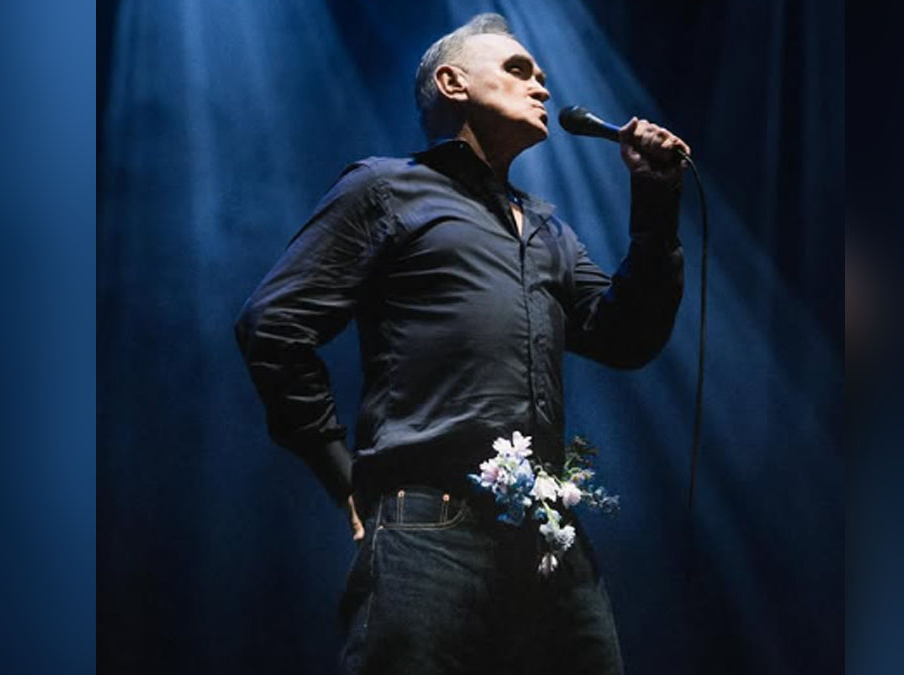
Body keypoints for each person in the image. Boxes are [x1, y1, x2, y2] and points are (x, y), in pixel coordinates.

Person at [234, 13, 690, 674]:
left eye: (541, 74)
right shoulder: (387, 190)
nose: (542, 85)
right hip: (427, 531)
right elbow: (273, 324)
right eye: (518, 69)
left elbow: (627, 339)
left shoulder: (549, 231)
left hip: (548, 540)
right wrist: (342, 476)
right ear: (453, 83)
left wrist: (655, 203)